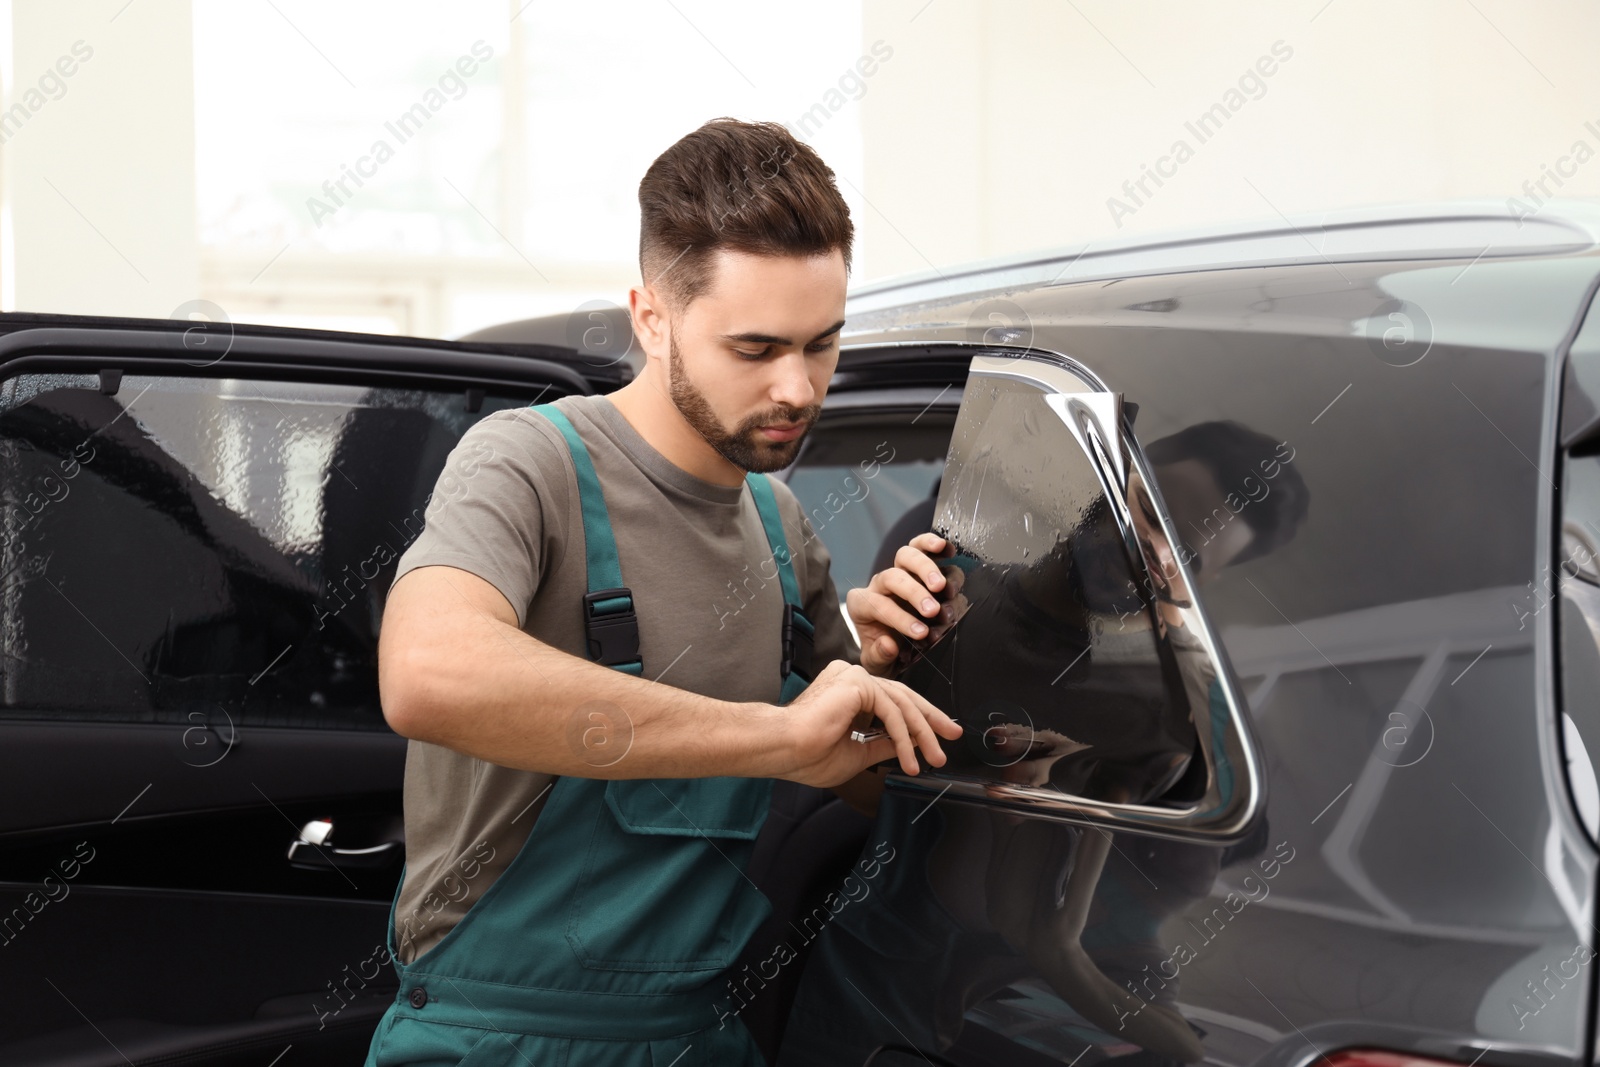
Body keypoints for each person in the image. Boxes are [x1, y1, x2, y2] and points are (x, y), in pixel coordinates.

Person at [362, 118, 964, 1066]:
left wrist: (882, 674)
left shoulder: (779, 525)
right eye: (756, 348)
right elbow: (428, 674)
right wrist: (780, 735)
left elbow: (855, 790)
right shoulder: (530, 464)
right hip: (502, 1039)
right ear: (650, 315)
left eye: (821, 345)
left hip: (697, 1036)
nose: (799, 388)